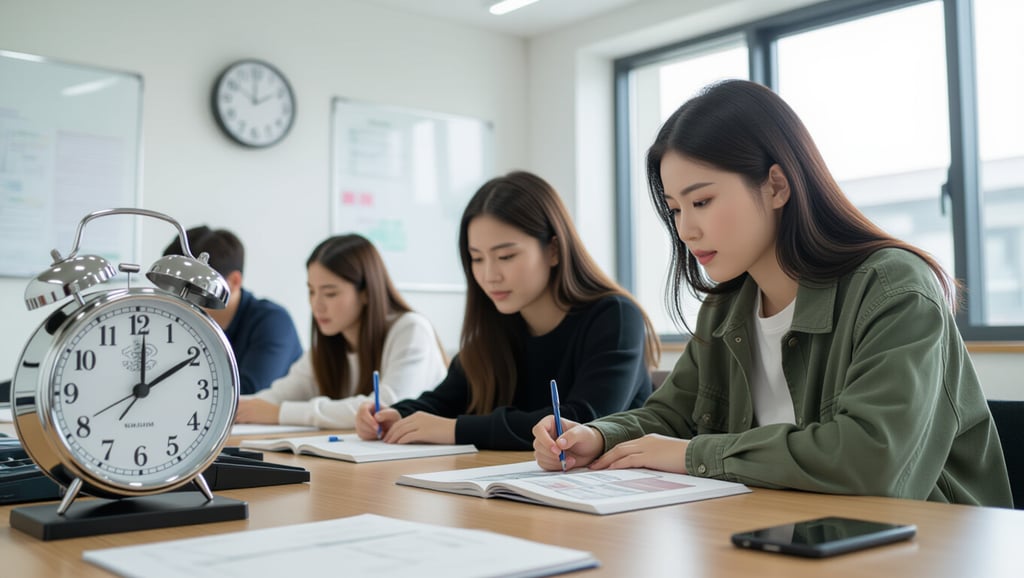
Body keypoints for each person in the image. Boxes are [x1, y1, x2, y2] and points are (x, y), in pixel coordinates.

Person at [533, 79, 1013, 507]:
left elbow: (871, 459)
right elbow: (672, 414)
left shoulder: (894, 289)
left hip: (928, 545)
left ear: (777, 185)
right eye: (676, 209)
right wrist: (597, 436)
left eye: (702, 201)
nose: (686, 229)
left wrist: (694, 455)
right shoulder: (726, 306)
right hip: (790, 530)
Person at [354, 171, 661, 450]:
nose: (489, 275)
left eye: (505, 256)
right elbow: (443, 401)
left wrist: (457, 430)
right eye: (477, 258)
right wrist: (394, 415)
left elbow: (582, 422)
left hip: (605, 487)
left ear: (553, 250)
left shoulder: (616, 318)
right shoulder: (498, 324)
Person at [236, 234, 447, 428]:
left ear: (366, 292)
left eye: (330, 293)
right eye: (311, 291)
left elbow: (386, 407)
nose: (316, 305)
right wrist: (235, 408)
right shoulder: (331, 342)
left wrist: (280, 413)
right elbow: (276, 397)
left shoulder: (411, 329)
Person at [163, 226, 302, 395]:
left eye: (192, 286)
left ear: (234, 281)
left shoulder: (273, 322)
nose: (179, 294)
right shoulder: (182, 324)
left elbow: (247, 393)